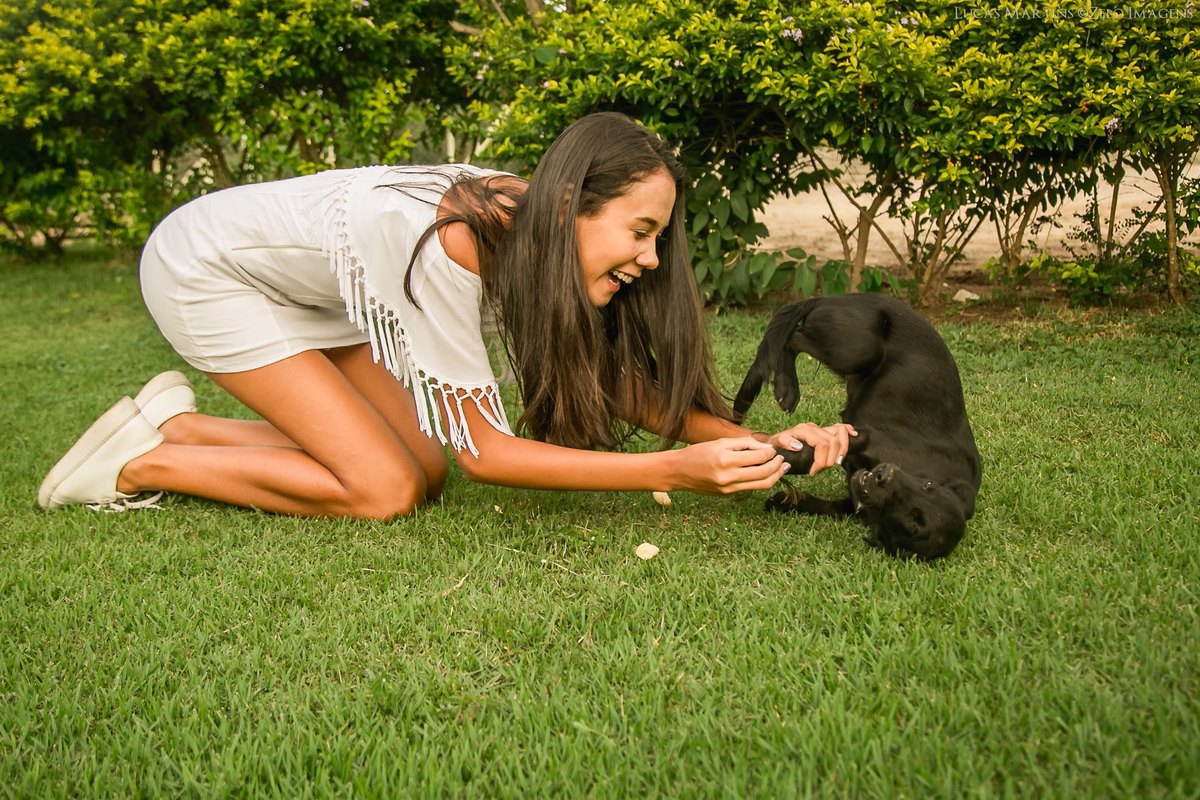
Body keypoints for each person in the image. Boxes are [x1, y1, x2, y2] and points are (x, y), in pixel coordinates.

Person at [38, 112, 854, 518]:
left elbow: (616, 384)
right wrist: (666, 470)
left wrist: (753, 444)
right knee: (385, 488)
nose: (649, 259)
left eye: (657, 238)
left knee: (421, 469)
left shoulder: (537, 231)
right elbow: (489, 454)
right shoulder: (453, 241)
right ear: (572, 202)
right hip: (208, 273)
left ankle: (178, 428)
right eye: (640, 232)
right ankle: (137, 467)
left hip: (330, 296)